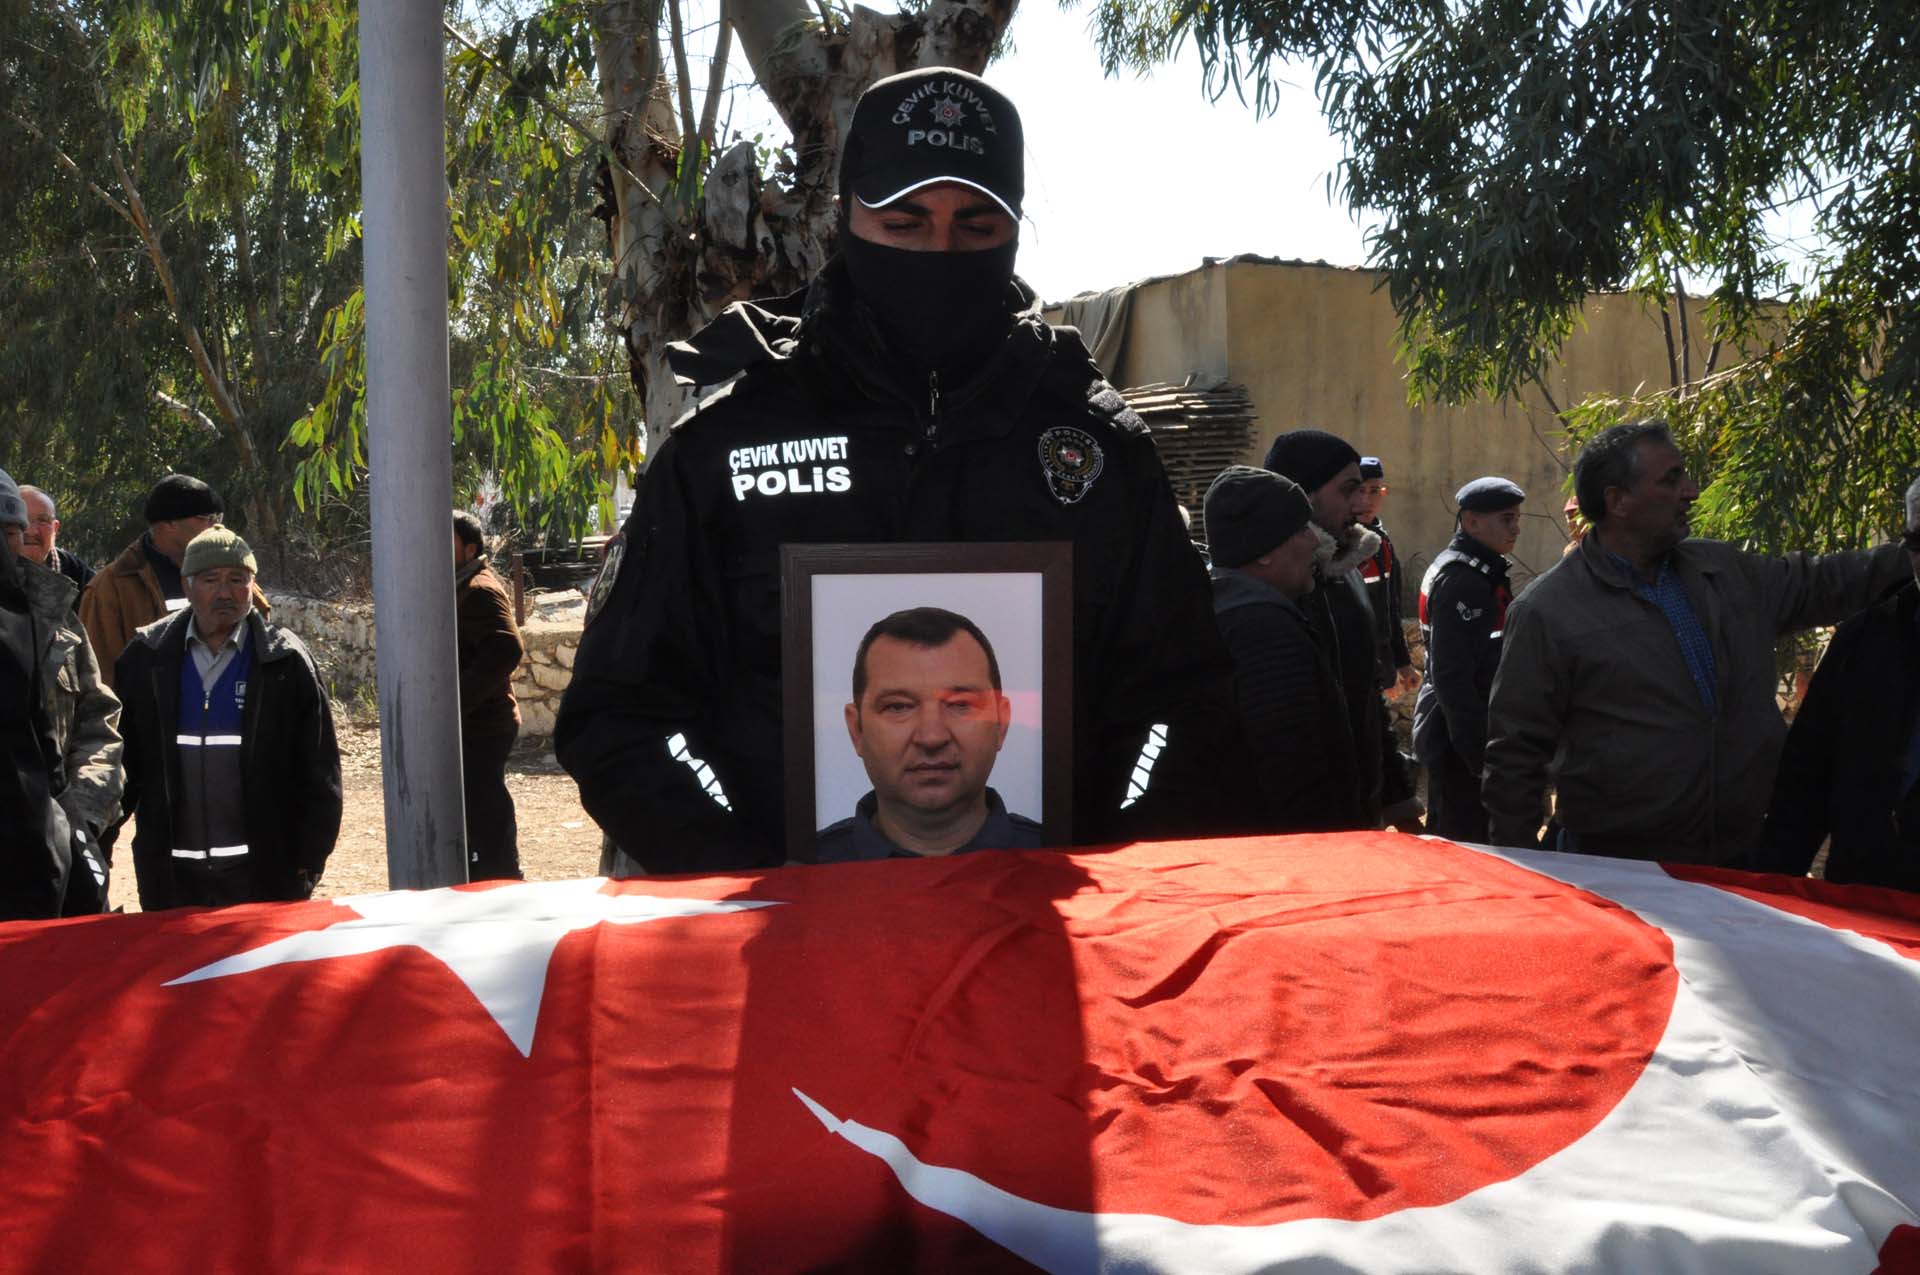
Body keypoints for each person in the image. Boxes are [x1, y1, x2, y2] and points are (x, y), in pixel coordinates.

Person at [557, 67, 1252, 873]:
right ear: (848, 215)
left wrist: (1119, 870)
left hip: (1040, 942)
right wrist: (745, 873)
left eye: (976, 224)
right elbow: (618, 716)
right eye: (907, 221)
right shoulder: (726, 441)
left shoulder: (1098, 448)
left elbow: (1189, 705)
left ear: (1015, 229)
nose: (941, 249)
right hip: (792, 950)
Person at [1484, 420, 1911, 864]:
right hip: (1622, 872)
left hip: (1743, 859)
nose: (1691, 491)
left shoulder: (1725, 572)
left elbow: (1824, 582)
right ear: (1617, 501)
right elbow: (1514, 757)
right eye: (1671, 480)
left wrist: (1910, 553)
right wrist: (1529, 881)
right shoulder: (1548, 612)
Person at [115, 527, 341, 910]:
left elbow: (320, 772)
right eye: (210, 580)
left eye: (237, 580)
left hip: (264, 876)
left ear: (252, 587)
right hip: (171, 879)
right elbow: (123, 768)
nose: (224, 593)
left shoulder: (284, 662)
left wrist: (308, 862)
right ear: (187, 585)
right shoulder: (146, 658)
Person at [1754, 478, 1920, 890]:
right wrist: (1766, 899)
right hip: (1870, 904)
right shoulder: (1867, 640)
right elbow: (1805, 783)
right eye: (1918, 543)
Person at [1205, 465, 1368, 831]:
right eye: (1300, 529)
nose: (1315, 540)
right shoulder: (1264, 631)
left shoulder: (1225, 611)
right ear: (1263, 552)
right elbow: (1294, 771)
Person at [813, 607, 1041, 861]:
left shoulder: (1062, 864)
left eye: (960, 705)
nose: (932, 737)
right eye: (898, 706)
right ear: (857, 730)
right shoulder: (798, 877)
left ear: (1001, 723)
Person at [0, 469, 122, 920]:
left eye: (12, 531)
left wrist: (80, 819)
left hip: (54, 858)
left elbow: (99, 723)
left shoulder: (56, 619)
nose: (13, 542)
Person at [1262, 428, 1384, 825]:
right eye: (1348, 489)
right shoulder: (1267, 586)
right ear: (1302, 494)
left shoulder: (1347, 574)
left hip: (1357, 810)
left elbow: (1366, 696)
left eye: (1364, 489)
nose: (1361, 503)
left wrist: (1394, 795)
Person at [1412, 477, 1525, 843]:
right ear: (1472, 522)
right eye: (1506, 519)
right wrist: (1478, 756)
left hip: (1463, 732)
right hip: (1459, 738)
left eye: (1516, 518)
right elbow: (1453, 678)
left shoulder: (1478, 570)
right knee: (1463, 845)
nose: (1516, 528)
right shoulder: (1464, 580)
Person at [81, 474, 267, 692]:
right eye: (206, 518)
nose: (217, 526)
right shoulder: (110, 588)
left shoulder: (233, 572)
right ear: (169, 524)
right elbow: (99, 676)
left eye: (219, 517)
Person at [454, 511, 525, 881]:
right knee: (476, 806)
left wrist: (458, 700)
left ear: (469, 549)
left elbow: (508, 648)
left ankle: (504, 881)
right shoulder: (461, 585)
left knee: (486, 805)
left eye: (446, 542)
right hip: (477, 721)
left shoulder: (479, 589)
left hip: (486, 723)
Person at [1355, 456, 1422, 831]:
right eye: (1359, 490)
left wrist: (1401, 663)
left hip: (1376, 667)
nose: (1367, 499)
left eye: (1374, 491)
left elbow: (1391, 610)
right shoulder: (1338, 548)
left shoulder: (1382, 544)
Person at [18, 486, 95, 589]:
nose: (32, 531)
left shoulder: (81, 575)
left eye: (43, 520)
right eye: (22, 519)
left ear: (55, 528)